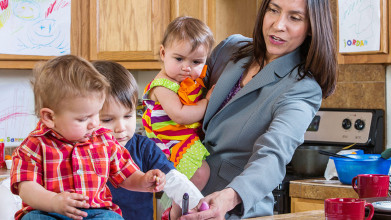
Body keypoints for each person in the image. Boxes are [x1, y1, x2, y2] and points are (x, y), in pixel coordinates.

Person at [181, 0, 337, 219]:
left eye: (294, 17)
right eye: (273, 10)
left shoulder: (302, 88)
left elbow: (273, 155)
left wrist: (230, 197)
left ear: (311, 27)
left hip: (232, 210)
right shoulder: (230, 49)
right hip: (181, 196)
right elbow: (181, 83)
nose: (278, 24)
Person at [9, 55, 166, 220]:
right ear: (49, 117)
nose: (94, 124)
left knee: (112, 218)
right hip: (47, 212)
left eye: (96, 114)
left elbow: (125, 174)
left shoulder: (104, 140)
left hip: (96, 213)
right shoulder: (33, 145)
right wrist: (54, 201)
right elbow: (26, 188)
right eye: (83, 118)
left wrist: (143, 181)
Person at [93, 60, 204, 220]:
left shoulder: (144, 148)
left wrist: (199, 204)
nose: (121, 128)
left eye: (128, 116)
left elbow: (173, 179)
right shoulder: (81, 151)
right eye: (108, 119)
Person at [142, 16, 214, 189]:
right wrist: (207, 102)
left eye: (196, 62)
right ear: (163, 53)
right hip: (170, 147)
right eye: (179, 59)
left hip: (182, 140)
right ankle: (178, 212)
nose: (186, 67)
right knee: (200, 174)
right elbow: (181, 115)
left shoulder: (185, 83)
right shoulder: (163, 85)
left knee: (199, 175)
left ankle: (180, 209)